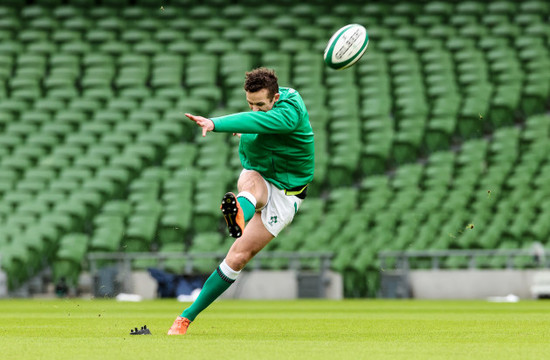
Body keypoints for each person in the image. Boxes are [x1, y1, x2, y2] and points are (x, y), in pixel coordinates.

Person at [167, 67, 315, 335]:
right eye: (250, 104)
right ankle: (184, 319)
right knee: (250, 186)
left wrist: (215, 124)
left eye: (261, 105)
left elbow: (258, 123)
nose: (255, 110)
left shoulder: (290, 112)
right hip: (260, 174)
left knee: (239, 257)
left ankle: (241, 213)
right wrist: (243, 127)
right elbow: (255, 122)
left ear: (276, 98)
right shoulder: (262, 110)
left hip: (287, 193)